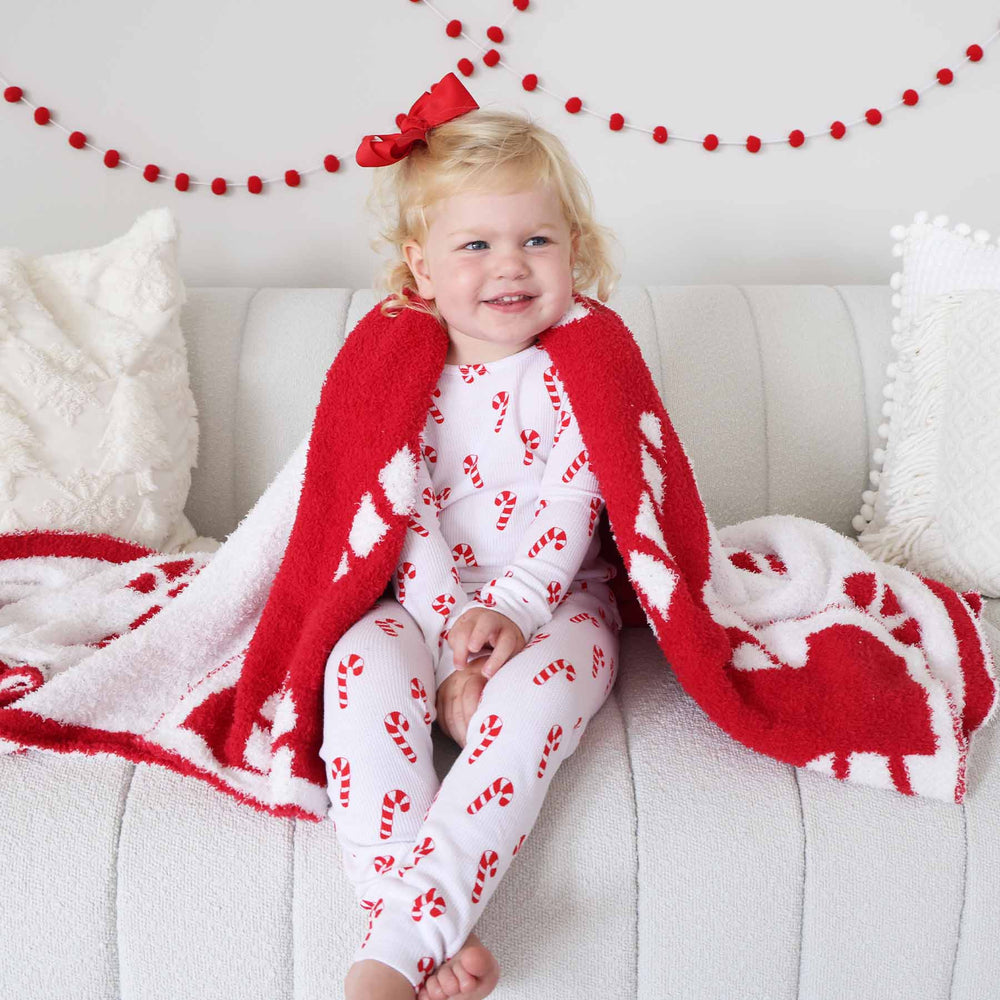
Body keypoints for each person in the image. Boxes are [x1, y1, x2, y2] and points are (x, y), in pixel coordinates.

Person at [323, 72, 624, 1000]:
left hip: (557, 599)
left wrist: (512, 615)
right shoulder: (395, 363)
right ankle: (413, 929)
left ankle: (394, 950)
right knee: (356, 669)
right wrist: (452, 635)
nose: (510, 266)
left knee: (531, 704)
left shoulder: (586, 361)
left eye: (536, 240)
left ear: (574, 250)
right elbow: (392, 509)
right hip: (421, 597)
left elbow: (576, 504)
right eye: (477, 245)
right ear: (421, 267)